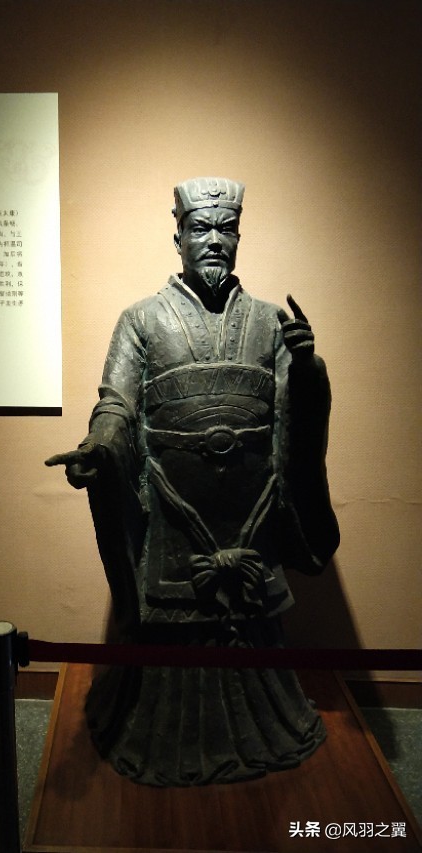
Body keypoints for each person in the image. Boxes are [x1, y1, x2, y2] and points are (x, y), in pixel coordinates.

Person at [46, 177, 339, 786]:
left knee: (252, 632)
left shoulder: (269, 321)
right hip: (173, 508)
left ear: (239, 237)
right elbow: (117, 403)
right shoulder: (142, 319)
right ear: (177, 236)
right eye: (200, 228)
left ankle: (267, 725)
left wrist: (308, 367)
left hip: (250, 509)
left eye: (225, 229)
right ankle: (162, 734)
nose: (213, 241)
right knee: (169, 634)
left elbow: (294, 415)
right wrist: (100, 447)